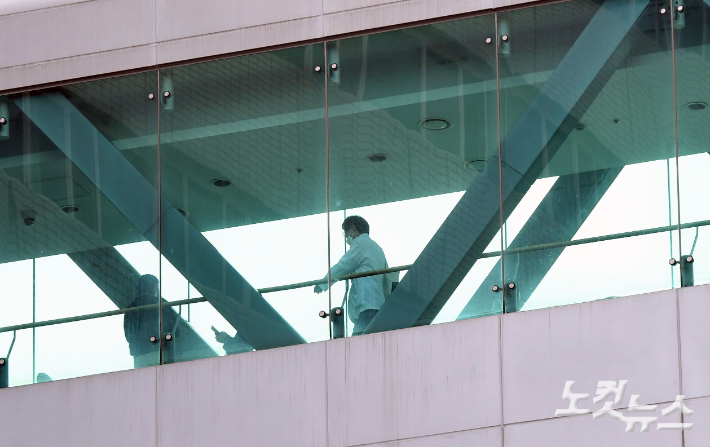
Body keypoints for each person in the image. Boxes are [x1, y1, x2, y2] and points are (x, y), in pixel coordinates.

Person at [314, 216, 396, 336]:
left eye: (345, 233)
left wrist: (323, 284)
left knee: (357, 345)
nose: (346, 237)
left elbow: (343, 266)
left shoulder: (360, 244)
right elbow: (387, 279)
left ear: (352, 229)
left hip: (366, 305)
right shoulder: (378, 249)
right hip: (377, 305)